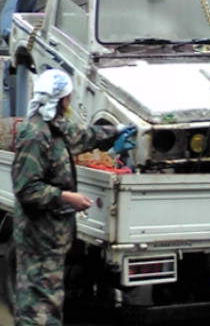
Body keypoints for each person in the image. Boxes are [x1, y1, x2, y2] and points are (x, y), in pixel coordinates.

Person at [11, 69, 135, 326]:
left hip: (53, 238)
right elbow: (26, 189)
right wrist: (67, 197)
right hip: (39, 240)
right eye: (69, 96)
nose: (71, 101)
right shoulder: (35, 135)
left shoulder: (56, 128)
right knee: (38, 310)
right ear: (61, 99)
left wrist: (116, 132)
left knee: (50, 304)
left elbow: (84, 135)